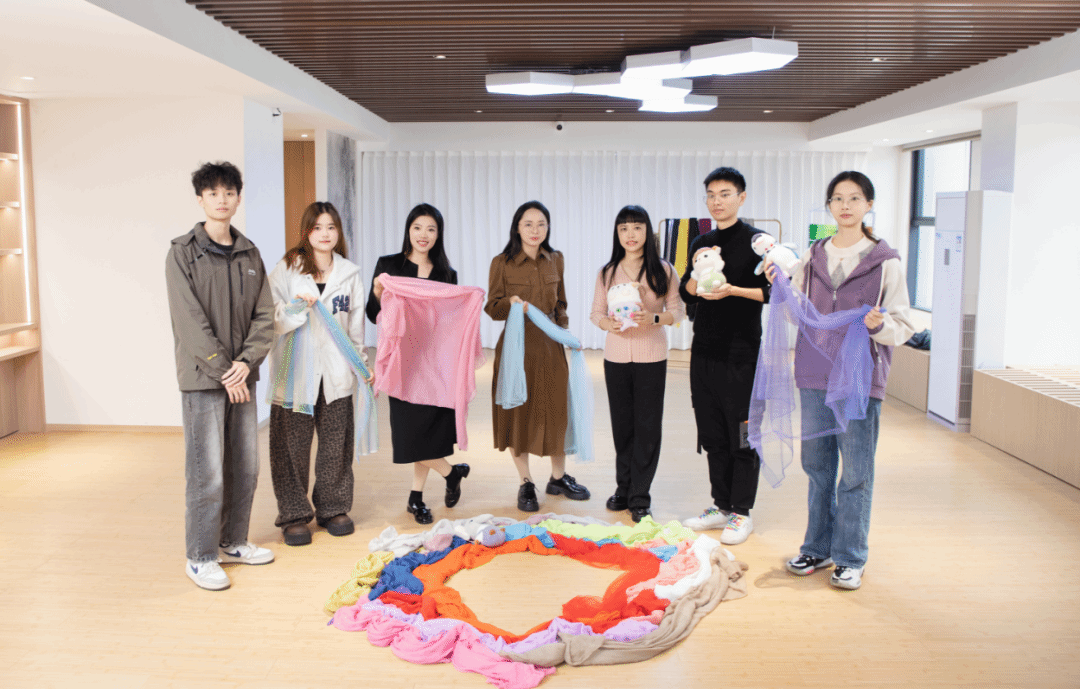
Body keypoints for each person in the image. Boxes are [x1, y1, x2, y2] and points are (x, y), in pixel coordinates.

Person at [767, 171, 913, 590]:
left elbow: (902, 324)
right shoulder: (813, 256)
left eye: (854, 198)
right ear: (829, 206)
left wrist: (878, 325)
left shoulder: (885, 262)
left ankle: (850, 556)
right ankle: (817, 547)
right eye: (837, 198)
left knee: (856, 470)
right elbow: (796, 312)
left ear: (869, 205)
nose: (845, 206)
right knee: (817, 465)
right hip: (814, 370)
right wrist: (781, 287)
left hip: (860, 376)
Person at [165, 161, 274, 591]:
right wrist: (226, 369)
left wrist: (246, 362)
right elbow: (188, 321)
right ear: (200, 199)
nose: (222, 199)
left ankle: (233, 541)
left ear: (238, 198)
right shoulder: (182, 253)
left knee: (245, 466)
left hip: (241, 376)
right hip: (204, 379)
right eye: (213, 193)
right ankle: (200, 556)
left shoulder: (250, 253)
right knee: (207, 472)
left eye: (229, 192)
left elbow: (264, 316)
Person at [679, 167, 771, 545]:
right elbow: (685, 291)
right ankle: (721, 505)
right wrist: (698, 271)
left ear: (741, 197)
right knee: (713, 432)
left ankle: (741, 511)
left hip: (742, 354)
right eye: (711, 195)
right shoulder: (702, 240)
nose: (716, 201)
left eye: (725, 194)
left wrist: (733, 290)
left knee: (743, 434)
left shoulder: (757, 242)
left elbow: (772, 292)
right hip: (704, 350)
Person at [267, 201, 365, 546]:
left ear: (339, 232)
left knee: (336, 446)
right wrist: (295, 309)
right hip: (296, 372)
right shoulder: (287, 268)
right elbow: (270, 316)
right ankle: (293, 514)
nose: (325, 234)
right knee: (290, 447)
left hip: (337, 373)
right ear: (306, 232)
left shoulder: (350, 273)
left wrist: (362, 366)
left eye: (331, 227)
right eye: (317, 227)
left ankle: (333, 508)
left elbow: (355, 329)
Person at [367, 203, 469, 525]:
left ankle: (416, 498)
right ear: (408, 230)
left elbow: (451, 322)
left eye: (431, 229)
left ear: (438, 234)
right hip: (402, 364)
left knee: (426, 434)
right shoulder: (389, 266)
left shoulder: (446, 275)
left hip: (434, 365)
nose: (423, 235)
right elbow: (373, 315)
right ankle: (451, 474)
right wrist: (377, 292)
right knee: (410, 435)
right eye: (417, 227)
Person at [485, 200, 590, 512]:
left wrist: (566, 334)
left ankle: (558, 478)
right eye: (528, 224)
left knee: (558, 410)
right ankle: (526, 482)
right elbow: (492, 307)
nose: (535, 230)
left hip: (551, 346)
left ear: (548, 227)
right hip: (516, 349)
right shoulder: (501, 262)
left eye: (541, 224)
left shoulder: (556, 259)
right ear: (517, 228)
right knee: (518, 413)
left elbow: (560, 304)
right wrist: (510, 303)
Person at [590, 205, 684, 523]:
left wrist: (654, 318)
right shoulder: (607, 272)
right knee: (622, 426)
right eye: (624, 228)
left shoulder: (663, 270)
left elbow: (677, 311)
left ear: (647, 231)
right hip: (615, 357)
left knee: (647, 427)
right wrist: (608, 324)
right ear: (617, 234)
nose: (631, 234)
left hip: (651, 357)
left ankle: (640, 496)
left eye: (637, 227)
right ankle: (624, 488)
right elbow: (595, 313)